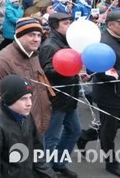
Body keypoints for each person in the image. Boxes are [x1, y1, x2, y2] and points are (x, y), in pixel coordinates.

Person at [78, 10, 120, 177]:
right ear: (110, 25)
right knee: (110, 131)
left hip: (119, 91)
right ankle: (111, 163)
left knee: (116, 124)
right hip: (110, 94)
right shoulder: (105, 43)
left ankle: (84, 136)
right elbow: (102, 70)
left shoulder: (117, 39)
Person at [0, 74, 56, 178]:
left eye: (30, 98)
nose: (29, 103)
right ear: (10, 99)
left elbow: (37, 152)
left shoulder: (27, 116)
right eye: (23, 99)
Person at [0, 17, 52, 136]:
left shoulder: (33, 54)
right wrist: (21, 120)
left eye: (39, 35)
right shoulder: (3, 60)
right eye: (31, 35)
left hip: (39, 127)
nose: (37, 39)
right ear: (19, 35)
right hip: (20, 131)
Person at [38, 13, 80, 178]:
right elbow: (45, 72)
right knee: (51, 137)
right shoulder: (50, 45)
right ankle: (44, 171)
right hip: (57, 98)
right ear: (55, 25)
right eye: (65, 23)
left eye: (69, 22)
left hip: (70, 96)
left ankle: (58, 163)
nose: (69, 26)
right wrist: (68, 69)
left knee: (74, 130)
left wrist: (76, 71)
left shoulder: (67, 42)